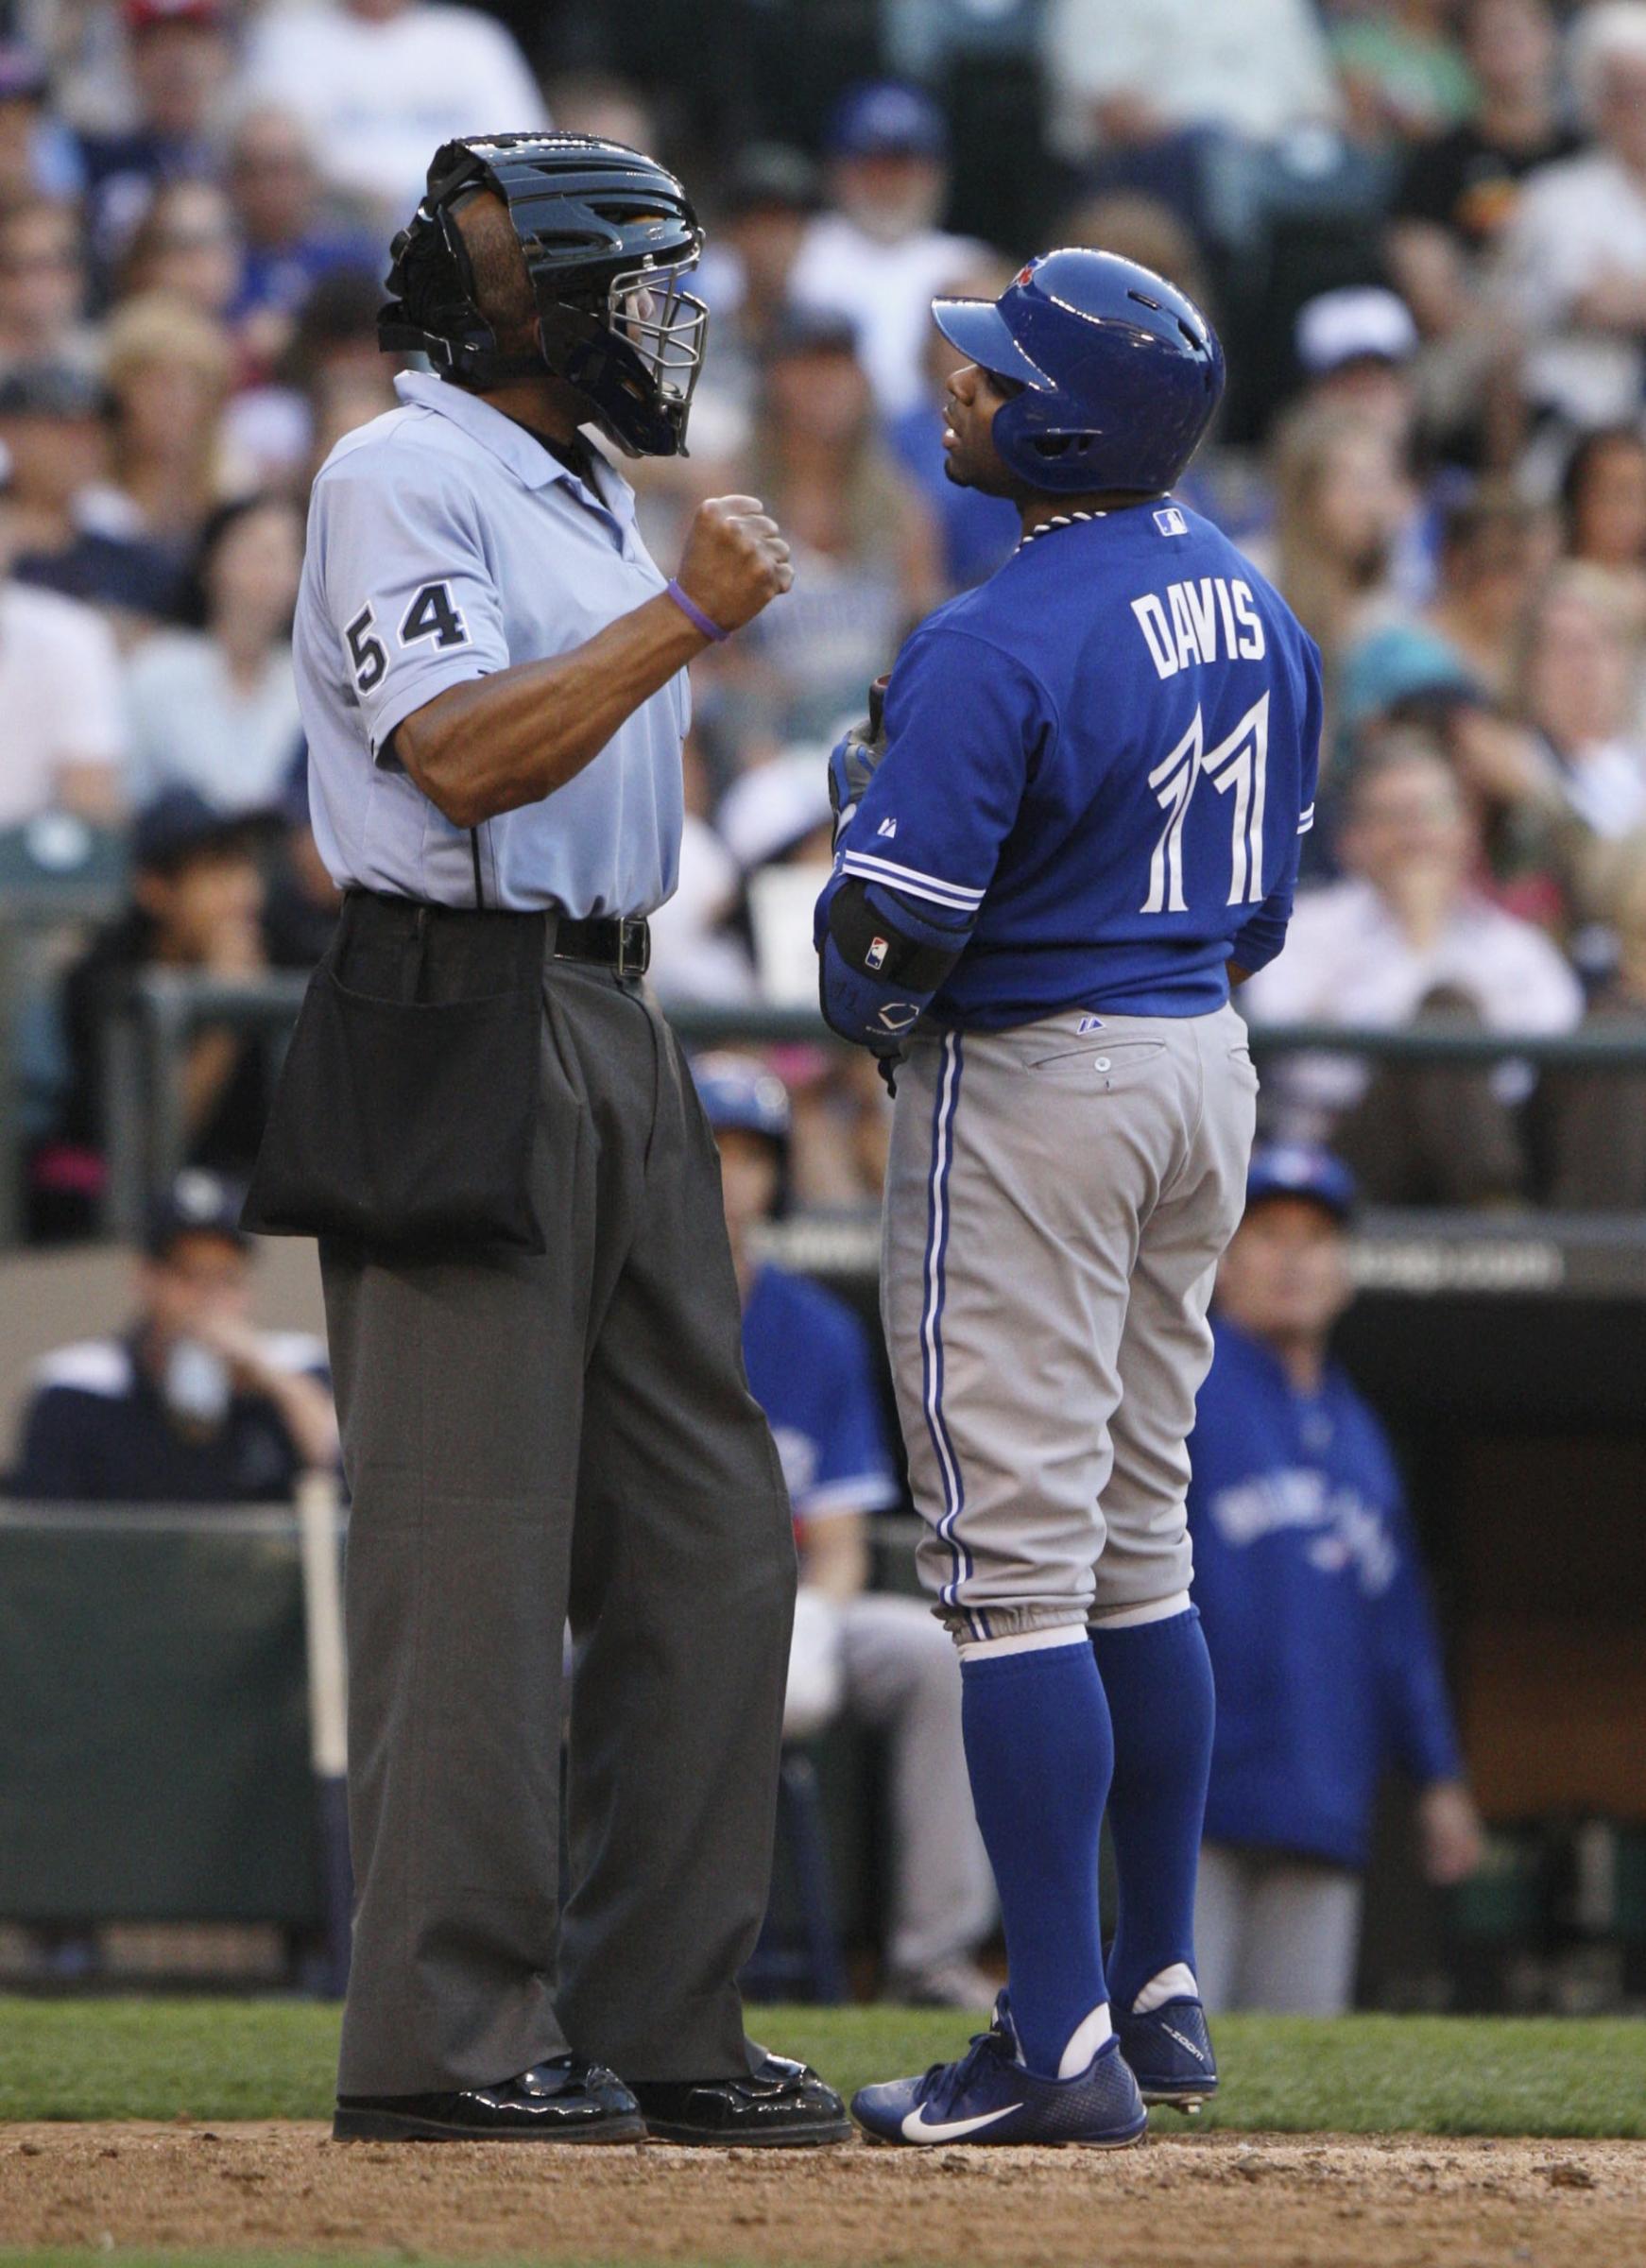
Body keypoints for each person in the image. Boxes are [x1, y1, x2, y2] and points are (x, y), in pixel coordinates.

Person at [247, 131, 848, 2148]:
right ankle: (444, 2047)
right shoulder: (392, 471)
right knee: (472, 1560)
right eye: (645, 288)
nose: (674, 326)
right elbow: (459, 747)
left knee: (709, 1528)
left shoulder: (573, 483)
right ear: (546, 309)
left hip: (613, 1002)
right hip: (456, 1003)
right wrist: (687, 612)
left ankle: (661, 2014)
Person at [826, 250, 1321, 2144]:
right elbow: (1264, 908)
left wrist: (852, 883)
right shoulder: (1251, 601)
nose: (957, 383)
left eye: (987, 369)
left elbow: (878, 954)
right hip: (1200, 1057)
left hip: (1036, 1071)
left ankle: (1050, 2041)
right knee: (1136, 1536)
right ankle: (1156, 1978)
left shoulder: (994, 631)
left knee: (1012, 1565)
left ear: (1051, 420)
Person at [695, 1053, 997, 2008]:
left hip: (782, 1606)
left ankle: (932, 1956)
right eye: (706, 1150)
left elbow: (832, 1543)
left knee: (933, 1655)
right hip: (629, 1613)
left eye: (747, 1154)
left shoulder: (811, 1330)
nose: (727, 1175)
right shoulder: (605, 1308)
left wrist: (801, 1622)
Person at [1189, 1145, 1484, 2014]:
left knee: (1295, 2077)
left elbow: (1399, 1627)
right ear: (1222, 1261)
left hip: (1321, 1795)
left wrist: (1439, 1777)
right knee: (1164, 2060)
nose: (1291, 1256)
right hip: (1187, 1795)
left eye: (1315, 1238)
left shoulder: (1359, 1436)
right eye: (1268, 1232)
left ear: (1346, 1270)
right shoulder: (1182, 1394)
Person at [1241, 737, 1583, 1202]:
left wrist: (1466, 1097)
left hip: (1509, 1147)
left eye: (1433, 814)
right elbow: (1316, 1074)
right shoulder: (1303, 932)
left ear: (1468, 830)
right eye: (1393, 818)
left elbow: (1552, 1073)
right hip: (1355, 1155)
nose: (1416, 835)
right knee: (1445, 1014)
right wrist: (1419, 944)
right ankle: (1497, 1221)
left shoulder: (1519, 946)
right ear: (1351, 841)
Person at [10, 1168, 337, 1503]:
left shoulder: (295, 1366)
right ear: (146, 1279)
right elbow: (43, 1534)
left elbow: (346, 1474)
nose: (208, 1297)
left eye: (228, 1278)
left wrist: (274, 1382)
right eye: (188, 1276)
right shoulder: (78, 1387)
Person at [238, 0, 550, 224]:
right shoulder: (288, 39)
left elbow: (527, 155)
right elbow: (270, 158)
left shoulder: (474, 40)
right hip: (334, 232)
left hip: (464, 228)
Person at [789, 82, 986, 421]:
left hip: (938, 443)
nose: (888, 182)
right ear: (838, 170)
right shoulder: (796, 250)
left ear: (935, 173)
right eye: (873, 165)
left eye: (903, 166)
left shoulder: (970, 266)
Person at [125, 493, 305, 816]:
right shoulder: (157, 667)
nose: (272, 574)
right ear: (212, 562)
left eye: (287, 556)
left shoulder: (309, 682)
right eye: (258, 553)